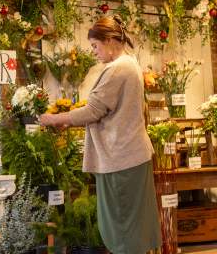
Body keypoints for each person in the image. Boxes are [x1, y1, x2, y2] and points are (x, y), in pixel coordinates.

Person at [39, 16, 162, 254]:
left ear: (108, 41)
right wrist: (71, 120)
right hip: (130, 156)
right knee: (132, 224)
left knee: (123, 224)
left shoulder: (118, 68)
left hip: (121, 158)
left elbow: (94, 110)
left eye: (95, 46)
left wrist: (53, 118)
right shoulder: (131, 64)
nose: (94, 52)